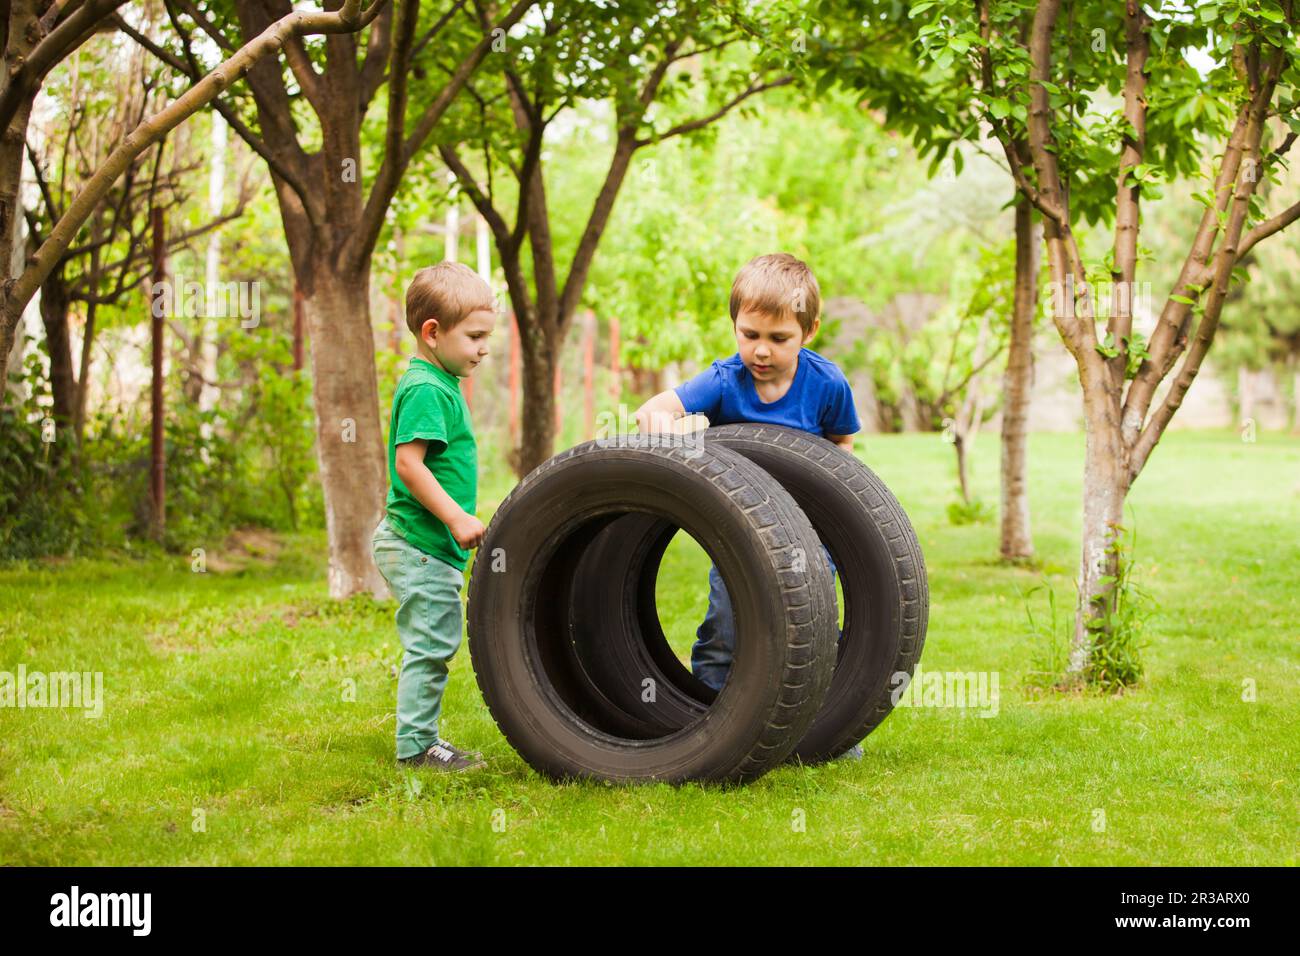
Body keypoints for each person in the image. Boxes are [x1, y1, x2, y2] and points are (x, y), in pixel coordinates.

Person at [634, 253, 863, 756]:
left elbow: (843, 446)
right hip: (741, 531)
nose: (760, 350)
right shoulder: (723, 380)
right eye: (749, 334)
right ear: (735, 327)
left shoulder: (826, 384)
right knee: (726, 627)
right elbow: (651, 413)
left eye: (778, 339)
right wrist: (683, 444)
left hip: (809, 530)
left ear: (809, 330)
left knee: (814, 629)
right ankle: (709, 720)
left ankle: (827, 727)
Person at [372, 261, 495, 772]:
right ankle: (417, 749)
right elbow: (409, 464)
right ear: (432, 332)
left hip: (427, 543)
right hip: (417, 542)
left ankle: (420, 741)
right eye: (475, 336)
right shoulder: (427, 388)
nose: (484, 348)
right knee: (432, 642)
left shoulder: (438, 381)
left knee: (435, 638)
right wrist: (455, 518)